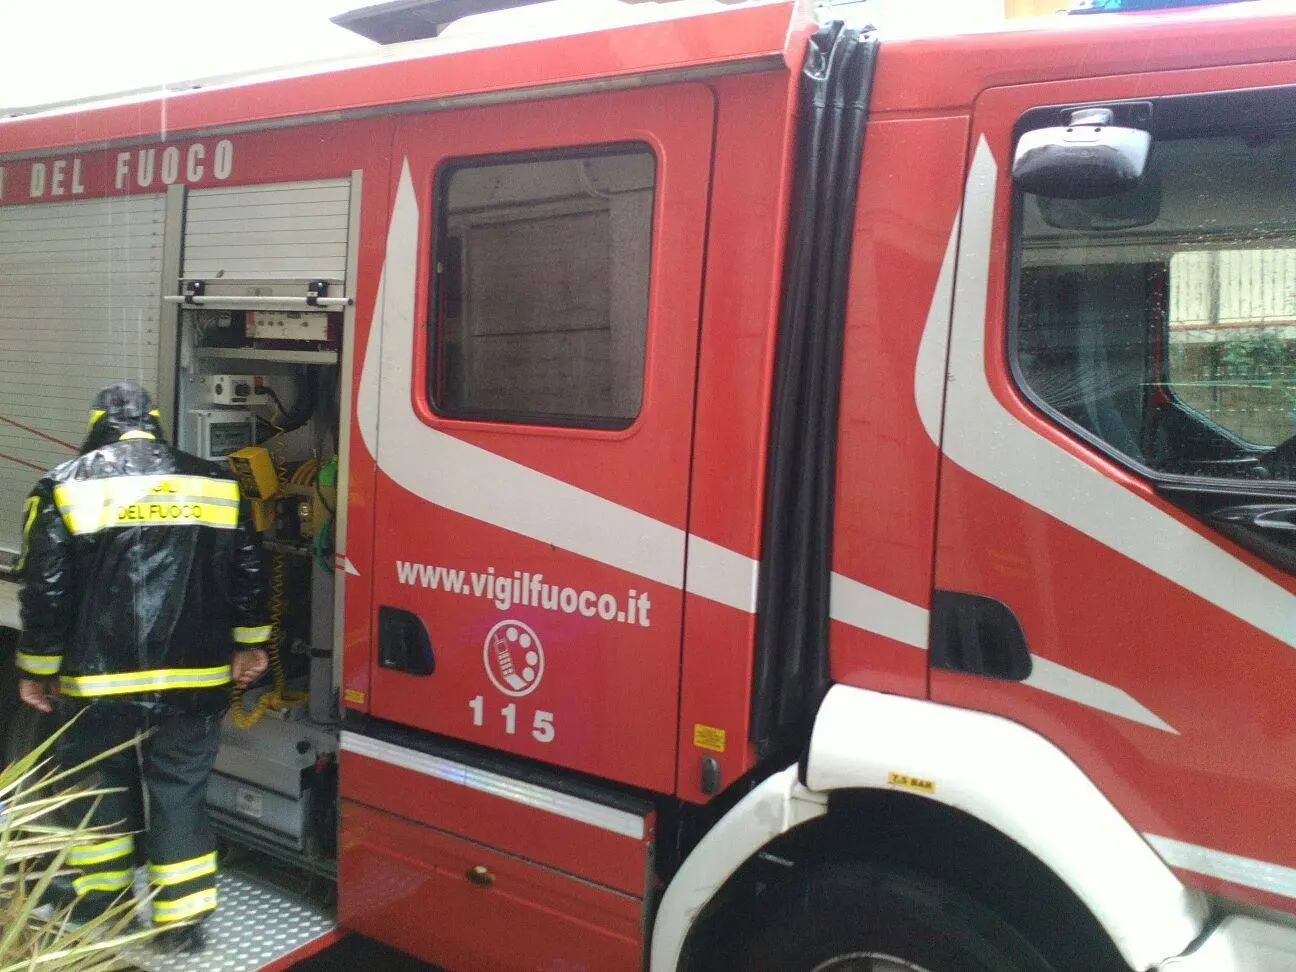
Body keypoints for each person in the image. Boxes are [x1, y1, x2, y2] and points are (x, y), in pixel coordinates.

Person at [14, 380, 270, 952]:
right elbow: (249, 573)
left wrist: (37, 668)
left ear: (96, 423)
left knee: (99, 779)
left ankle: (104, 898)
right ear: (157, 424)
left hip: (96, 677)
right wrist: (252, 645)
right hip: (195, 674)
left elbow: (46, 590)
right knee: (180, 788)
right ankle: (182, 923)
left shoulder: (63, 484)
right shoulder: (217, 481)